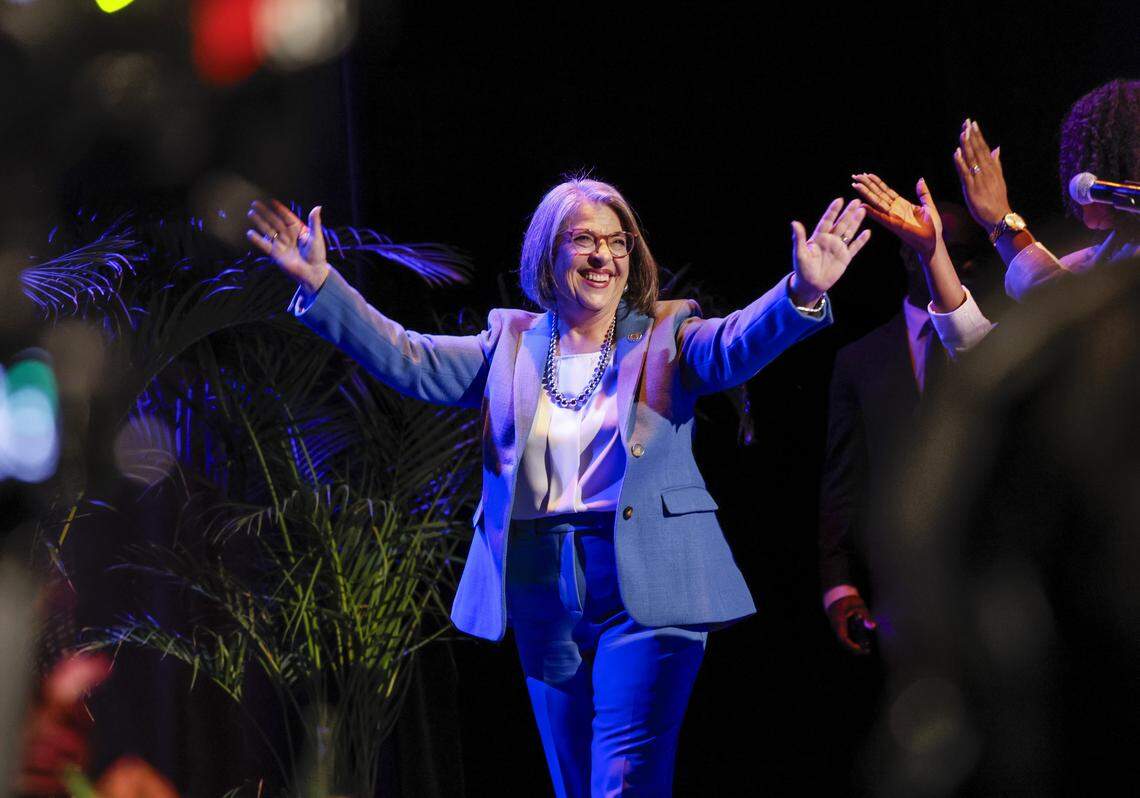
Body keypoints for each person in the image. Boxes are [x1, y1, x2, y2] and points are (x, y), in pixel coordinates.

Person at [246, 177, 870, 796]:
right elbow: (413, 358)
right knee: (574, 783)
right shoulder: (511, 344)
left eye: (617, 240)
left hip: (647, 582)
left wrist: (801, 291)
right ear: (547, 254)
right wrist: (322, 286)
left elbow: (735, 345)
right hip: (543, 585)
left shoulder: (667, 334)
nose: (603, 254)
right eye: (583, 239)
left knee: (622, 778)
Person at [820, 173, 993, 654]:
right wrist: (839, 583)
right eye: (946, 254)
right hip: (900, 579)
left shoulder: (1002, 341)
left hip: (990, 568)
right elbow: (843, 475)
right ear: (905, 255)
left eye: (965, 254)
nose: (964, 265)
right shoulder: (861, 359)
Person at [953, 79, 1140, 302]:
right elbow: (981, 335)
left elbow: (1066, 302)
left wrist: (1001, 221)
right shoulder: (1099, 256)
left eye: (1096, 168)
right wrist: (932, 253)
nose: (1085, 213)